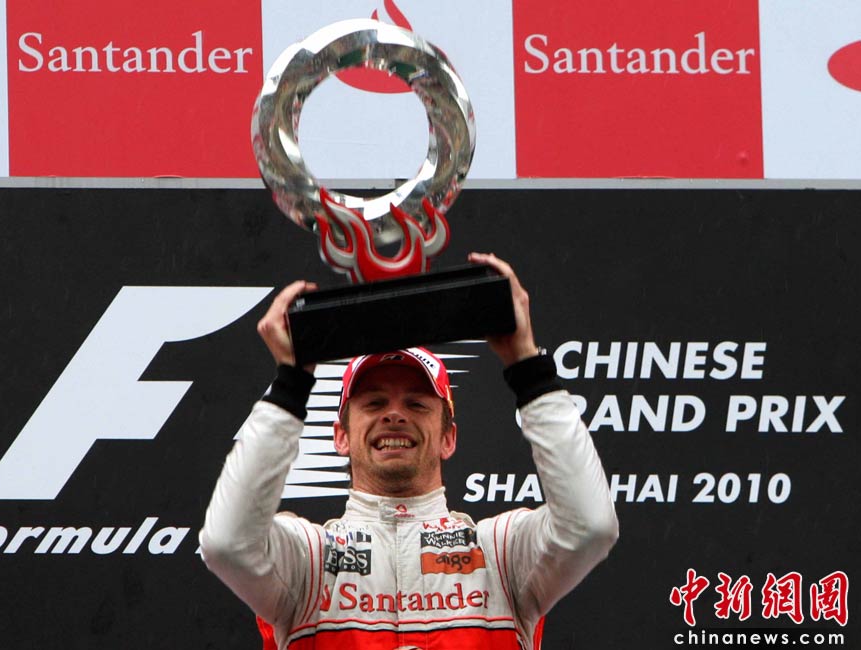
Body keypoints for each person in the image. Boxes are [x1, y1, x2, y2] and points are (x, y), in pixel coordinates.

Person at [200, 253, 618, 649]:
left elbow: (591, 528)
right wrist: (290, 384)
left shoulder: (500, 554)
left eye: (417, 404)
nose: (395, 415)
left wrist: (527, 366)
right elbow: (226, 544)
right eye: (374, 403)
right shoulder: (308, 560)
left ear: (448, 438)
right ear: (340, 437)